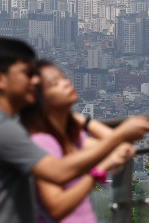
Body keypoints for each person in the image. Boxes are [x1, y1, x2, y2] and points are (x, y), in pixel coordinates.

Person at [0, 38, 149, 223]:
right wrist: (120, 135)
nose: (35, 81)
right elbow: (58, 172)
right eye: (26, 74)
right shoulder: (1, 129)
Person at [19, 60, 130, 222]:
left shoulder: (71, 137)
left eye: (63, 78)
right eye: (55, 83)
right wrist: (98, 170)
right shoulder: (42, 142)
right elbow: (56, 208)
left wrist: (83, 121)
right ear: (39, 100)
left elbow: (122, 146)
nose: (66, 83)